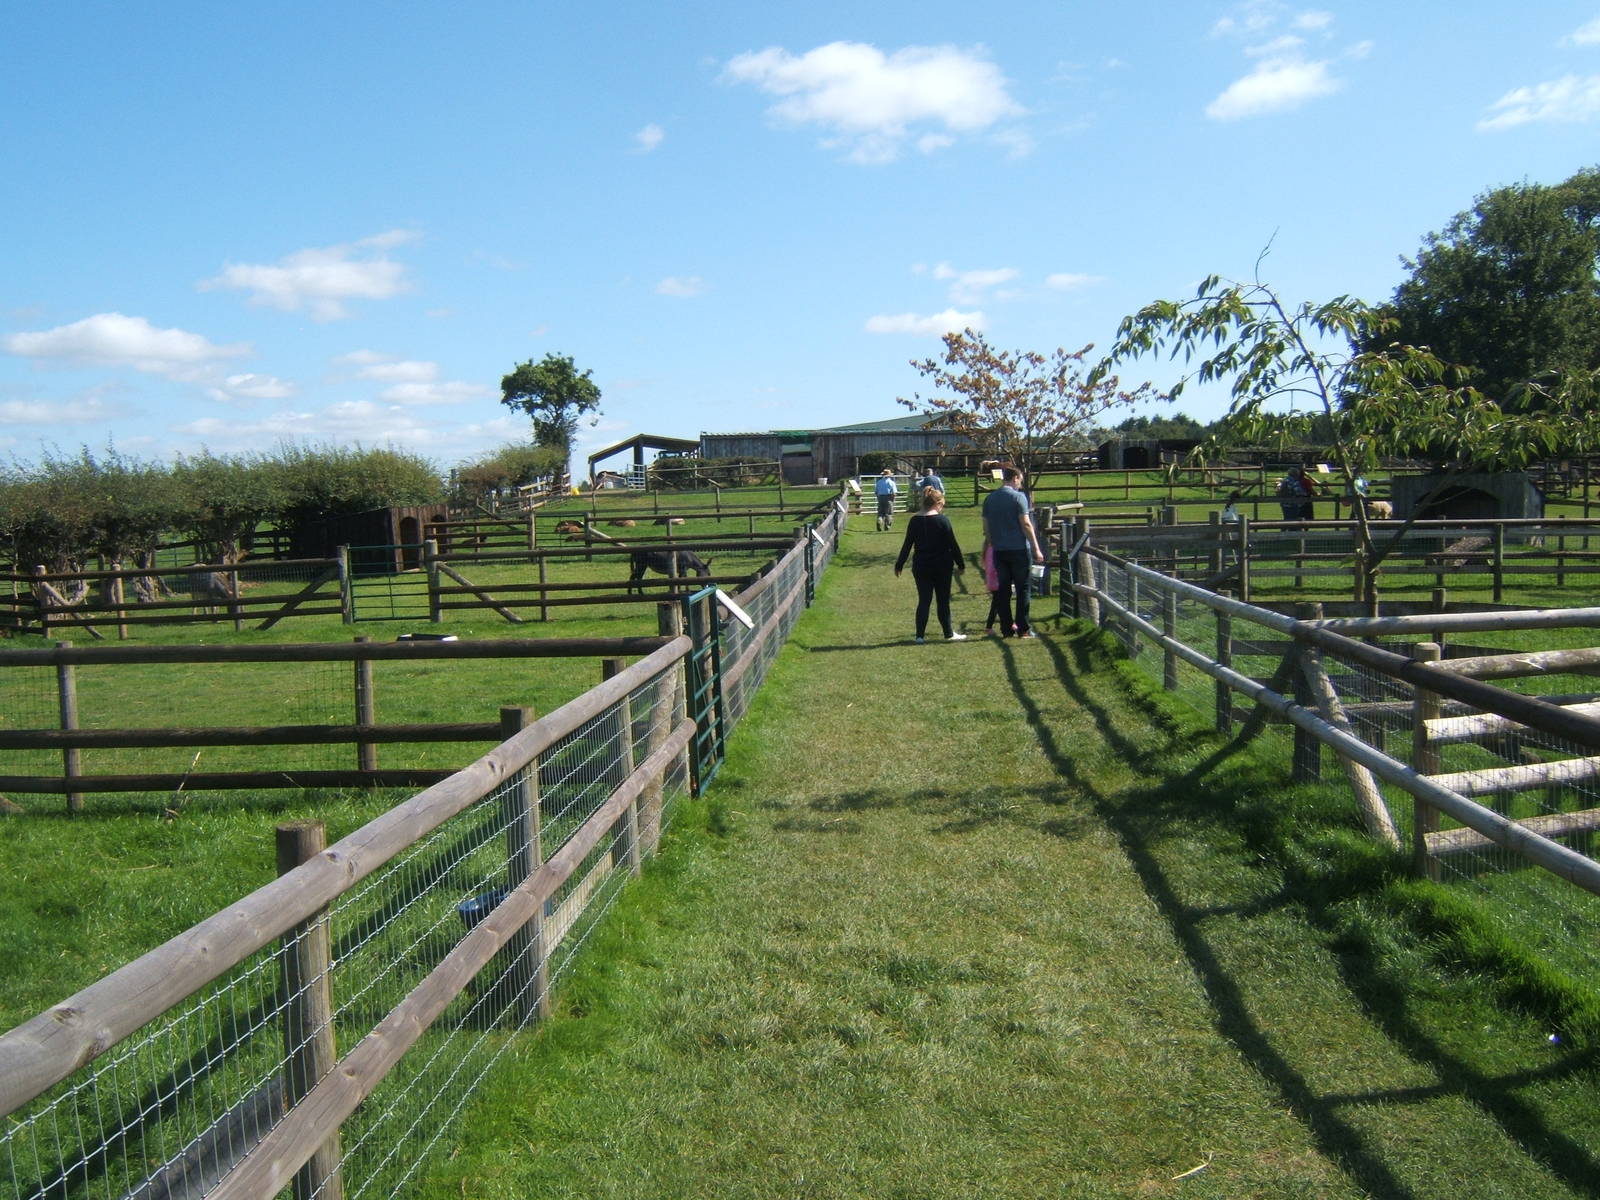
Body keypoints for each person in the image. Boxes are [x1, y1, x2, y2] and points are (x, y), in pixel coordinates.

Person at [895, 487, 967, 642]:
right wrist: (960, 564)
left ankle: (919, 636)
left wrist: (899, 564)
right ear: (937, 504)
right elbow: (952, 545)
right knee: (943, 600)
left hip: (921, 565)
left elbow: (907, 544)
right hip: (942, 565)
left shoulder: (914, 520)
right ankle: (948, 633)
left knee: (924, 600)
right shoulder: (943, 521)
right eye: (942, 505)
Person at [981, 465, 1045, 638]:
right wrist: (1036, 548)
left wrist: (993, 543)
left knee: (1003, 590)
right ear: (1015, 478)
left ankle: (1006, 628)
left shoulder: (990, 499)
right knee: (1023, 588)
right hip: (1018, 549)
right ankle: (1023, 628)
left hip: (999, 551)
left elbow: (986, 527)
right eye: (1020, 481)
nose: (1020, 484)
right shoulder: (1018, 498)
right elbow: (1025, 523)